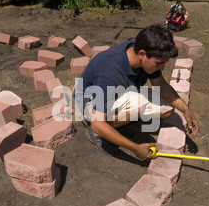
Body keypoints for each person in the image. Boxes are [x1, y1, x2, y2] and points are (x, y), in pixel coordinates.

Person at [74, 24, 199, 160]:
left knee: (167, 109)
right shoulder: (110, 73)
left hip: (119, 92)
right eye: (159, 63)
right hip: (90, 101)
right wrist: (135, 148)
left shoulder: (142, 48)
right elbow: (98, 122)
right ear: (142, 54)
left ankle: (118, 123)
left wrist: (185, 110)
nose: (162, 67)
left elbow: (161, 85)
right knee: (137, 104)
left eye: (164, 63)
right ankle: (97, 132)